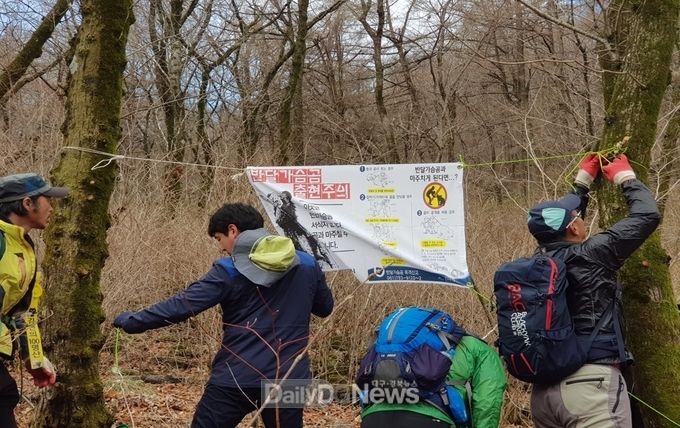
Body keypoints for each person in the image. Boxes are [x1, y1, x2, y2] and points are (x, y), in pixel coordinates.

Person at [113, 203, 334, 428]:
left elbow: (182, 305)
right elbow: (324, 308)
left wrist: (133, 321)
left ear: (233, 230)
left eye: (219, 238)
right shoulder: (307, 263)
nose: (222, 248)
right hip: (288, 376)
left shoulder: (229, 270)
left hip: (237, 376)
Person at [526, 153, 661, 427]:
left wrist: (582, 183)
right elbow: (647, 214)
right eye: (577, 217)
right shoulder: (593, 254)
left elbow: (562, 227)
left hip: (543, 394)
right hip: (590, 387)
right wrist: (626, 178)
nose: (579, 217)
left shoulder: (534, 265)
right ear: (575, 228)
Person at [0, 173, 67, 427]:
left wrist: (35, 359)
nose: (52, 208)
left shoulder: (23, 246)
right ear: (28, 203)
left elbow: (23, 311)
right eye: (47, 200)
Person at [360, 324, 507, 427]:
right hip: (432, 420)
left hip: (373, 418)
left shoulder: (389, 344)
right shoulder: (476, 347)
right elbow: (488, 401)